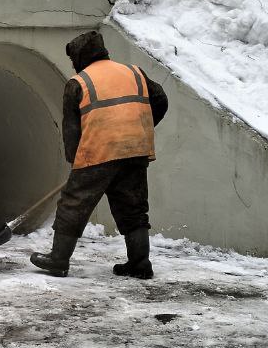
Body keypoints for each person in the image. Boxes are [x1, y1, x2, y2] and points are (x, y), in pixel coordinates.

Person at [30, 31, 169, 279]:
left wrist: (76, 162)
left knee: (73, 204)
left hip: (98, 153)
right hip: (135, 149)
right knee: (133, 207)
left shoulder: (79, 82)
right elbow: (160, 100)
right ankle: (139, 263)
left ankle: (58, 260)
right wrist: (140, 129)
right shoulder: (134, 72)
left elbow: (71, 130)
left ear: (80, 57)